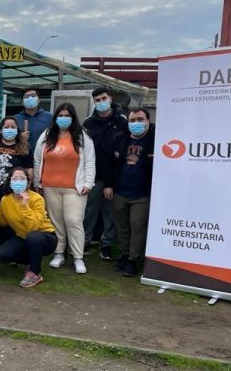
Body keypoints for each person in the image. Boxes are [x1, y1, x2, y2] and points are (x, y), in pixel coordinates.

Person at [33, 102, 95, 274]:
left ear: (73, 118)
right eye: (60, 115)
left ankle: (78, 257)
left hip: (75, 187)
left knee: (73, 221)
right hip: (50, 185)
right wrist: (38, 181)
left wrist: (88, 183)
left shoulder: (82, 136)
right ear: (55, 118)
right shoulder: (47, 135)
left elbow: (90, 161)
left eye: (67, 116)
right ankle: (59, 253)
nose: (63, 119)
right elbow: (38, 159)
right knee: (56, 222)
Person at [104, 107, 155, 277]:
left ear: (148, 120)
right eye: (132, 120)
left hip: (142, 193)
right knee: (122, 227)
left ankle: (133, 260)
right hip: (120, 191)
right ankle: (124, 255)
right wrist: (108, 185)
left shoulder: (156, 139)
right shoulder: (120, 138)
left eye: (140, 119)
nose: (136, 123)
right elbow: (111, 163)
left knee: (137, 226)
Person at [82, 87, 127, 260]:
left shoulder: (122, 121)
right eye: (97, 100)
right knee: (89, 211)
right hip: (93, 176)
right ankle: (85, 241)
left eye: (103, 98)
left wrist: (111, 182)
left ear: (110, 98)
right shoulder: (88, 122)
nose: (101, 102)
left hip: (114, 177)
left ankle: (106, 244)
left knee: (110, 213)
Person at [0, 168, 58, 288]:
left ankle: (35, 272)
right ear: (10, 182)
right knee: (3, 254)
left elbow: (33, 227)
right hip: (22, 237)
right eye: (15, 178)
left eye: (22, 179)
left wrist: (25, 206)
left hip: (45, 237)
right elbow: (3, 222)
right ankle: (30, 261)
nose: (18, 181)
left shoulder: (36, 199)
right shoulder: (6, 200)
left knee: (33, 237)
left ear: (28, 182)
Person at [0, 116, 33, 199]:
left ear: (17, 130)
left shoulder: (24, 148)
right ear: (1, 130)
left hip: (11, 190)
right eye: (6, 127)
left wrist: (27, 186)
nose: (10, 129)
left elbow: (29, 168)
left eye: (13, 127)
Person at [15, 89, 53, 153]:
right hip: (22, 157)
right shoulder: (15, 119)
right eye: (26, 97)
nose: (30, 98)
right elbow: (8, 140)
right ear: (22, 102)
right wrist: (19, 138)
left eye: (33, 96)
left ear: (39, 100)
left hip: (43, 157)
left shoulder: (49, 117)